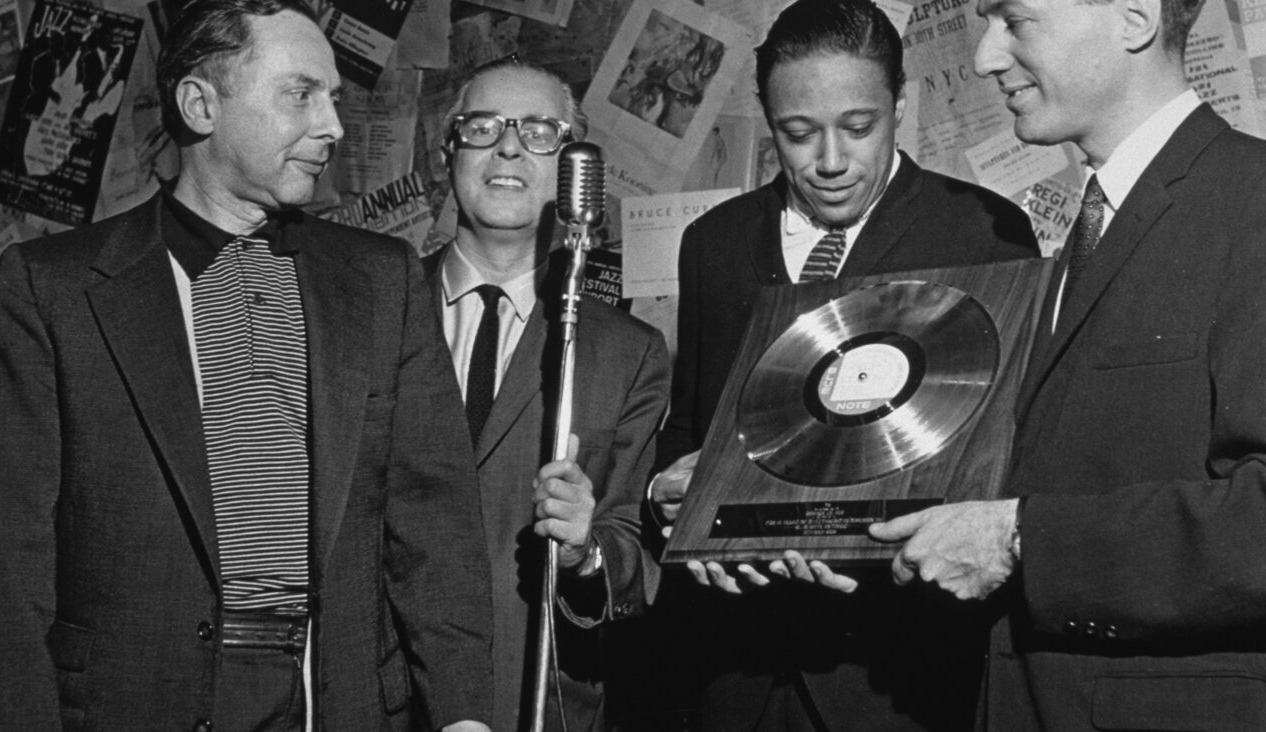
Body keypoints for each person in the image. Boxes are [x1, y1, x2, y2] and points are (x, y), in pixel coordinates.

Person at [0, 0, 493, 729]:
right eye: (300, 93)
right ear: (199, 104)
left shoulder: (381, 281)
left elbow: (435, 527)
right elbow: (0, 566)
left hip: (335, 702)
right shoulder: (50, 289)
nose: (333, 126)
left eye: (335, 99)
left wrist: (464, 714)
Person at [820, 0, 1266, 728]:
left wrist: (1020, 539)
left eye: (1015, 19)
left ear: (1132, 17)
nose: (985, 56)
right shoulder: (1079, 240)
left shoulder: (1255, 203)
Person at [646, 0, 1039, 729]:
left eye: (859, 128)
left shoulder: (985, 232)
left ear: (898, 105)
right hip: (733, 677)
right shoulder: (714, 243)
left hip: (896, 683)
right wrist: (668, 498)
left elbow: (1004, 467)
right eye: (799, 134)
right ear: (769, 122)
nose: (829, 161)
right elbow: (692, 426)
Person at [423, 58, 669, 732]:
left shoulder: (627, 352)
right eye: (482, 128)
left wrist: (585, 550)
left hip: (531, 703)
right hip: (377, 700)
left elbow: (637, 562)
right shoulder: (371, 313)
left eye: (540, 132)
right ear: (447, 152)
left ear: (571, 168)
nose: (508, 146)